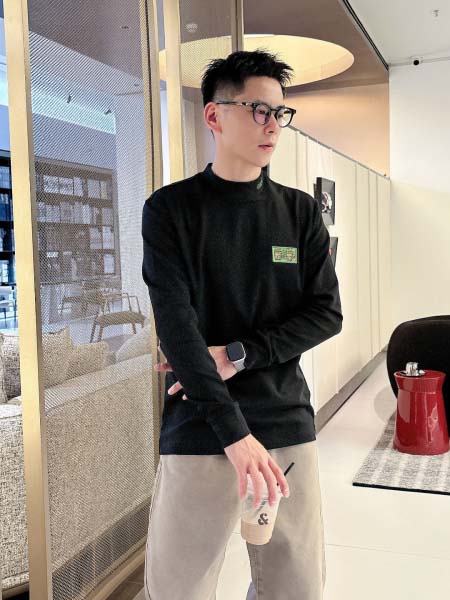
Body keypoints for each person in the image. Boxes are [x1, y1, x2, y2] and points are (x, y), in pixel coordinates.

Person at [141, 49, 343, 600]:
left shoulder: (300, 213)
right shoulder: (169, 211)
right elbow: (177, 331)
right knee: (177, 589)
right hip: (200, 425)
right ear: (214, 115)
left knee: (295, 588)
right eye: (259, 110)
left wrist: (239, 353)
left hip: (283, 423)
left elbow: (326, 314)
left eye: (280, 113)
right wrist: (234, 435)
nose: (273, 125)